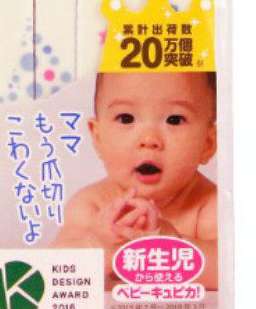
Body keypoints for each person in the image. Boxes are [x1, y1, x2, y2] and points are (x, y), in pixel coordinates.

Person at [53, 70, 218, 289]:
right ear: (98, 138)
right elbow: (53, 268)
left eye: (175, 119)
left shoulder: (209, 206)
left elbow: (230, 271)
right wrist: (94, 246)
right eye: (126, 118)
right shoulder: (91, 206)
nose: (149, 139)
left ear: (207, 143)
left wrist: (170, 246)